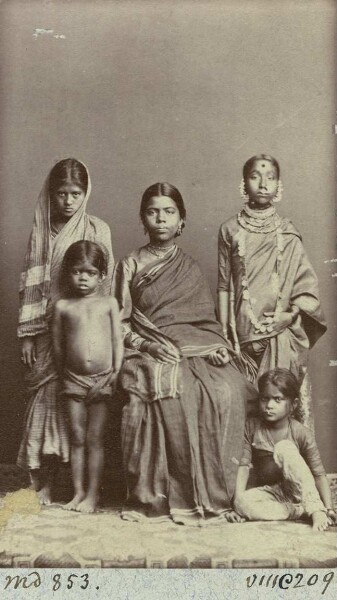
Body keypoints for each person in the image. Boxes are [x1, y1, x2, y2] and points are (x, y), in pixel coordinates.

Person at [113, 182, 257, 524]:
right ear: (142, 219)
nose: (161, 219)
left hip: (198, 350)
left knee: (229, 388)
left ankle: (219, 494)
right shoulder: (130, 264)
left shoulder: (188, 267)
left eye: (169, 212)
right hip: (148, 349)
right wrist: (146, 345)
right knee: (172, 388)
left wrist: (220, 349)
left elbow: (205, 323)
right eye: (152, 212)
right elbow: (118, 323)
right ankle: (166, 495)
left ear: (181, 221)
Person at [17, 158, 114, 504]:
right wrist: (28, 333)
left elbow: (107, 283)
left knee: (78, 416)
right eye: (61, 193)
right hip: (47, 328)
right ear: (51, 194)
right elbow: (30, 280)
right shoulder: (42, 230)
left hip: (85, 332)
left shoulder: (97, 229)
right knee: (45, 400)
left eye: (76, 193)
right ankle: (41, 478)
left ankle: (68, 484)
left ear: (85, 194)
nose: (68, 201)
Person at [217, 154, 326, 384]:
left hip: (281, 332)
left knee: (277, 401)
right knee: (246, 405)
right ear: (244, 184)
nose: (263, 184)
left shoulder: (288, 232)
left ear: (278, 185)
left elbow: (305, 287)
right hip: (241, 335)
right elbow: (224, 285)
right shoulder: (229, 229)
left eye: (271, 178)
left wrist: (289, 316)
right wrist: (225, 334)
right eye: (255, 177)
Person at [53, 241, 123, 513]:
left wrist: (114, 374)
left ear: (101, 275)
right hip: (72, 379)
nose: (83, 278)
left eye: (90, 272)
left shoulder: (108, 303)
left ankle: (93, 494)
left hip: (103, 378)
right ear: (67, 273)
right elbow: (59, 346)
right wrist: (64, 375)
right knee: (77, 436)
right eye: (77, 272)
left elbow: (118, 340)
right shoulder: (63, 306)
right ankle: (78, 492)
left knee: (95, 438)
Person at [233, 368, 337, 531]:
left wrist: (328, 508)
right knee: (241, 502)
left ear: (293, 404)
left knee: (284, 447)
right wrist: (237, 504)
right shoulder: (251, 427)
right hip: (275, 494)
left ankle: (315, 509)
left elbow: (318, 474)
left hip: (301, 490)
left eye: (277, 399)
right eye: (264, 399)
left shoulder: (301, 432)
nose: (269, 405)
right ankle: (299, 511)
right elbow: (244, 466)